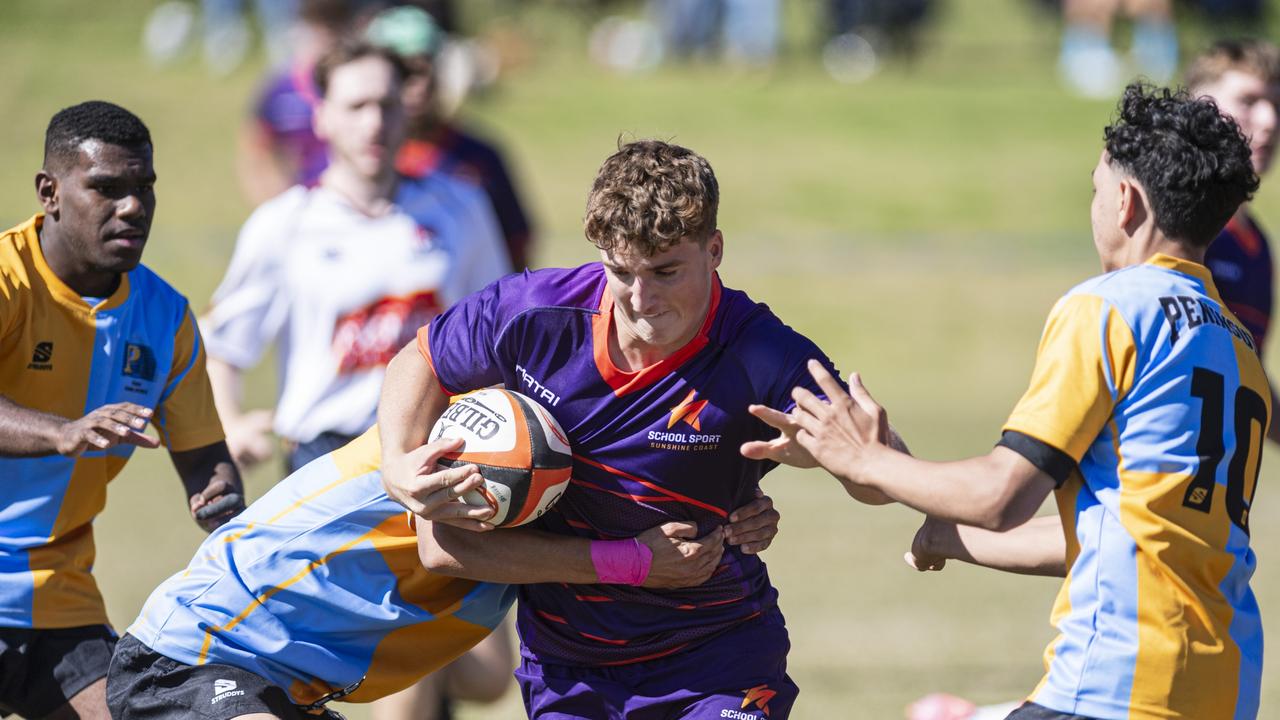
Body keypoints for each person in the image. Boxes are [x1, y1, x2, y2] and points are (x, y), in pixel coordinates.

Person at [748, 83, 1265, 720]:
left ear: (1126, 202)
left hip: (1117, 688)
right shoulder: (1234, 341)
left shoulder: (1109, 307)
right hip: (1224, 690)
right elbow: (1128, 535)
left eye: (1096, 190)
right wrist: (949, 535)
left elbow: (1001, 495)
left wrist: (862, 460)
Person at [377, 139, 890, 720]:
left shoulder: (760, 354)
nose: (640, 299)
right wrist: (397, 461)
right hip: (570, 667)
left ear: (714, 249)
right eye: (620, 272)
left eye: (666, 271)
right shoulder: (535, 315)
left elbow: (881, 477)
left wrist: (839, 456)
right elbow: (420, 361)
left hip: (718, 655)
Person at [104, 421, 781, 719]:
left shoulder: (537, 543)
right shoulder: (424, 461)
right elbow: (443, 547)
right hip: (190, 654)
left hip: (288, 693)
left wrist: (736, 514)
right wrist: (633, 561)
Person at [0, 101, 245, 719]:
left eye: (144, 188)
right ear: (50, 192)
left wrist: (223, 506)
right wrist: (62, 432)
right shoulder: (8, 281)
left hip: (58, 601)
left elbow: (205, 457)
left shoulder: (165, 317)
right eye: (107, 188)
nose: (133, 207)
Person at [203, 40, 510, 475]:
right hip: (323, 456)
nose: (374, 123)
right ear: (322, 117)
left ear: (408, 112)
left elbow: (500, 329)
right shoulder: (284, 223)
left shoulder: (462, 205)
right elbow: (222, 344)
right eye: (356, 106)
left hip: (436, 446)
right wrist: (231, 426)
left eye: (387, 104)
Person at [367, 4, 538, 270]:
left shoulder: (480, 157)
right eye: (405, 73)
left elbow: (516, 248)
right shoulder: (363, 162)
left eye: (426, 67)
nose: (419, 84)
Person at [1190, 40, 1279, 356]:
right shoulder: (1180, 226)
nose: (1269, 121)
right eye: (1248, 101)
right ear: (1200, 107)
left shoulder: (1257, 241)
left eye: (1276, 106)